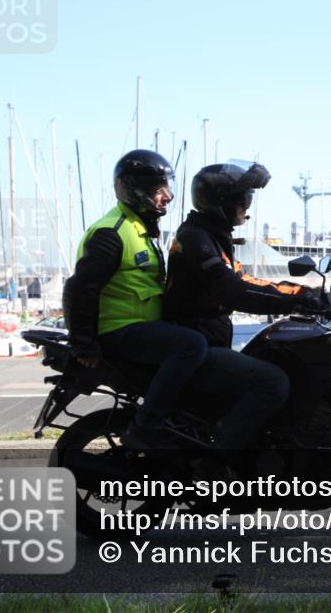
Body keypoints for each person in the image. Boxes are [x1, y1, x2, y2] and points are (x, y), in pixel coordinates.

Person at [164, 161, 321, 454]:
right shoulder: (197, 238)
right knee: (272, 382)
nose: (246, 205)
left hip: (209, 340)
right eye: (242, 198)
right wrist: (297, 298)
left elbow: (242, 279)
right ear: (220, 202)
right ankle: (216, 462)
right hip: (199, 345)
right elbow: (234, 290)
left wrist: (302, 291)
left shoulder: (210, 235)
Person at [63, 150, 208, 451]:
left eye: (168, 188)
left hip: (138, 328)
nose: (167, 196)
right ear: (135, 189)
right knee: (190, 344)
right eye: (159, 189)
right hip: (117, 331)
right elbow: (80, 289)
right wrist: (84, 343)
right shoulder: (112, 232)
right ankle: (147, 426)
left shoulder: (139, 230)